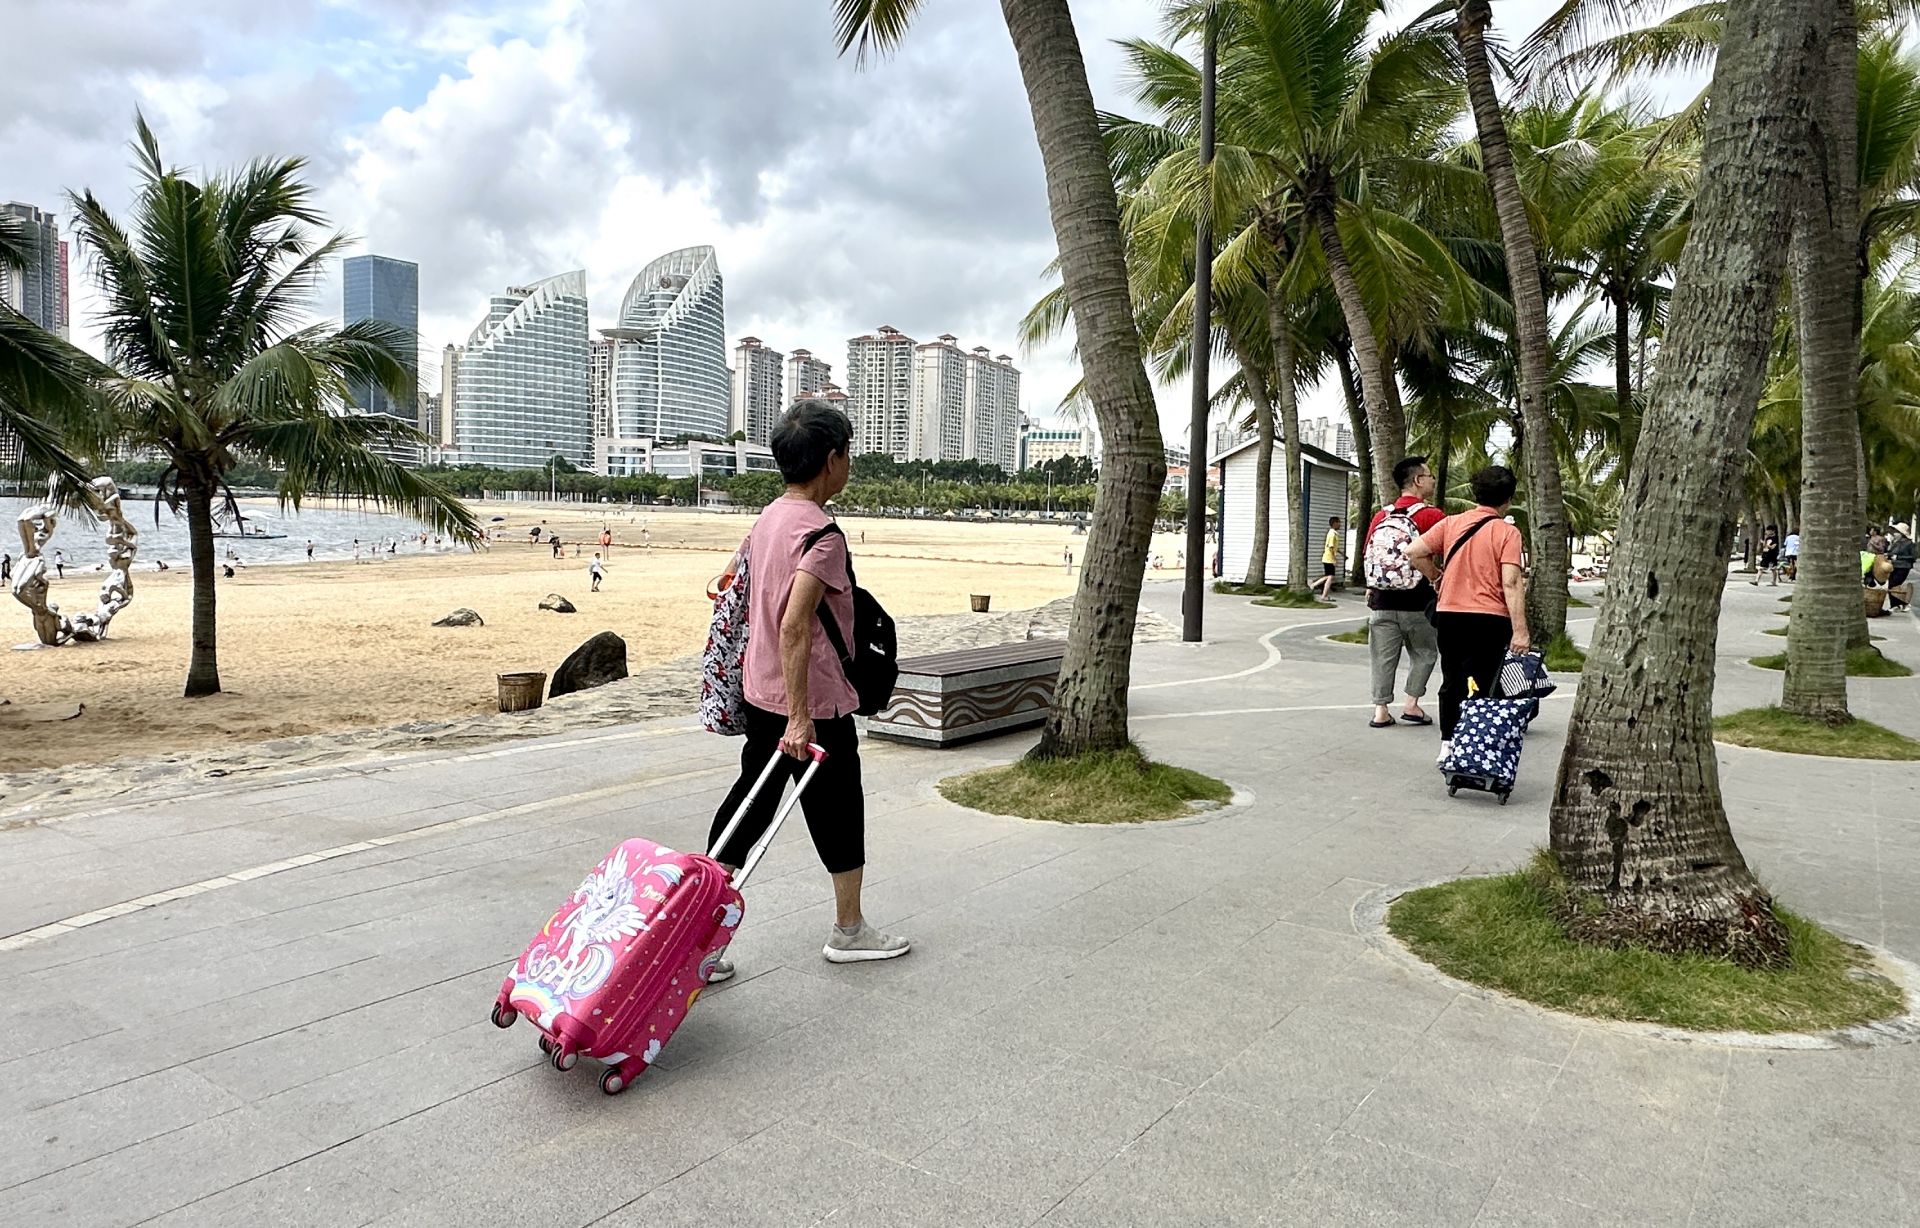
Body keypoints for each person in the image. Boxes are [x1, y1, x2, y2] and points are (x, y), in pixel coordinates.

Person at [706, 399, 910, 983]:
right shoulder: (822, 535)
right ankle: (849, 931)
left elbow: (732, 587)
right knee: (839, 810)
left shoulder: (768, 518)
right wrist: (801, 718)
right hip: (811, 705)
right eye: (847, 454)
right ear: (830, 460)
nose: (849, 464)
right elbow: (796, 624)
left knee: (749, 806)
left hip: (759, 690)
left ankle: (699, 940)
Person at [1405, 465, 1529, 761]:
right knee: (1487, 683)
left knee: (1453, 680)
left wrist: (1436, 576)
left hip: (1451, 615)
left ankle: (1448, 743)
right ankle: (1477, 743)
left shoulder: (1451, 524)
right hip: (1491, 619)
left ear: (1476, 494)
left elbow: (1413, 551)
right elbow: (1511, 582)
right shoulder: (1507, 533)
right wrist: (1521, 630)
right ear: (1508, 499)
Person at [1364, 456, 1445, 729]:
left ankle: (1380, 710)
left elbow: (1369, 555)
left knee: (1382, 657)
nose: (1432, 479)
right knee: (1424, 652)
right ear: (1418, 481)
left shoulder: (1380, 515)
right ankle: (1411, 705)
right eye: (1429, 475)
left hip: (1381, 601)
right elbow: (1449, 553)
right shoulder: (1432, 516)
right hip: (1418, 602)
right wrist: (1437, 577)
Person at [1314, 517, 1344, 600]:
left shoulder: (1334, 534)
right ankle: (1323, 594)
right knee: (1330, 577)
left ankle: (1316, 587)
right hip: (1328, 558)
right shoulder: (1332, 534)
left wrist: (1342, 555)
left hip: (1328, 558)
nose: (1340, 525)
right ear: (1334, 523)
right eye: (1339, 523)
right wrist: (1334, 559)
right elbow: (1331, 548)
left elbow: (1335, 547)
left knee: (1329, 576)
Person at [1890, 523, 1916, 609]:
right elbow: (1891, 552)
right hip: (1894, 566)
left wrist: (1899, 557)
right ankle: (1896, 604)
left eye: (1897, 532)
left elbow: (1913, 557)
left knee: (1894, 584)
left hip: (1903, 567)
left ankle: (1900, 604)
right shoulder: (1895, 543)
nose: (1894, 534)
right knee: (1892, 585)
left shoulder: (1909, 543)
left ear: (1902, 533)